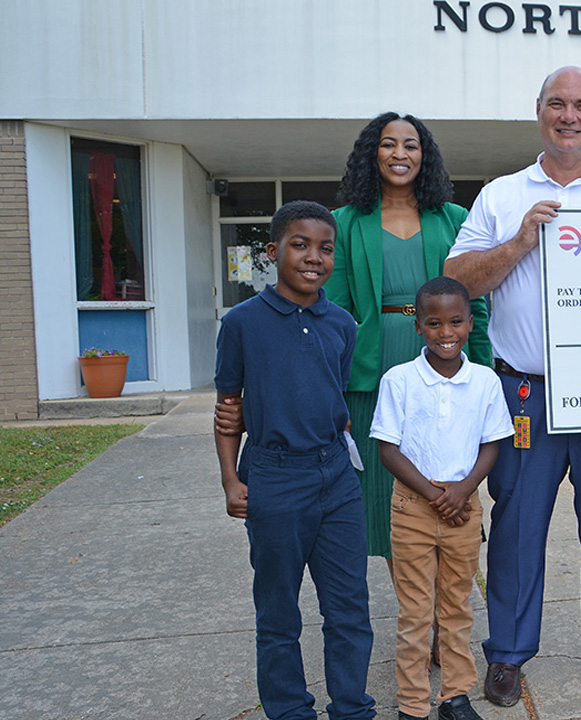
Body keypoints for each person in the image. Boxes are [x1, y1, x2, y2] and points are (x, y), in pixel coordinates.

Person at [442, 66, 581, 706]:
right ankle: (508, 653)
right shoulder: (503, 195)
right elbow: (458, 280)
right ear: (539, 111)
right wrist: (519, 242)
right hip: (524, 394)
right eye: (558, 105)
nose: (570, 116)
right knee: (517, 527)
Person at [216, 112, 492, 574]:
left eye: (411, 145)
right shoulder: (344, 223)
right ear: (372, 154)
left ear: (426, 156)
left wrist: (480, 370)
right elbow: (332, 310)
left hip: (444, 361)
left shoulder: (455, 219)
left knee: (449, 472)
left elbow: (476, 305)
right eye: (388, 144)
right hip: (372, 368)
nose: (400, 154)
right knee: (385, 494)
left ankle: (447, 626)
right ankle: (414, 610)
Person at [214, 200, 375, 720]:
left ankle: (351, 707)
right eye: (300, 245)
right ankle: (288, 709)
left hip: (336, 479)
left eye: (325, 248)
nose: (314, 257)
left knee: (349, 609)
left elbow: (336, 389)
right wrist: (230, 480)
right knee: (279, 612)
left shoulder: (342, 323)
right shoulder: (241, 323)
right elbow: (228, 410)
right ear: (273, 251)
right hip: (274, 478)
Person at [371, 276, 513, 720]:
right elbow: (387, 449)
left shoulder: (485, 382)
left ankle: (455, 695)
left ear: (471, 324)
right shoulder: (399, 381)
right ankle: (412, 704)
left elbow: (493, 443)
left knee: (456, 607)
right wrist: (435, 494)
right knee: (415, 614)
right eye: (434, 323)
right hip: (414, 507)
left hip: (463, 510)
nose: (446, 333)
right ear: (419, 327)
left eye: (455, 322)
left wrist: (464, 490)